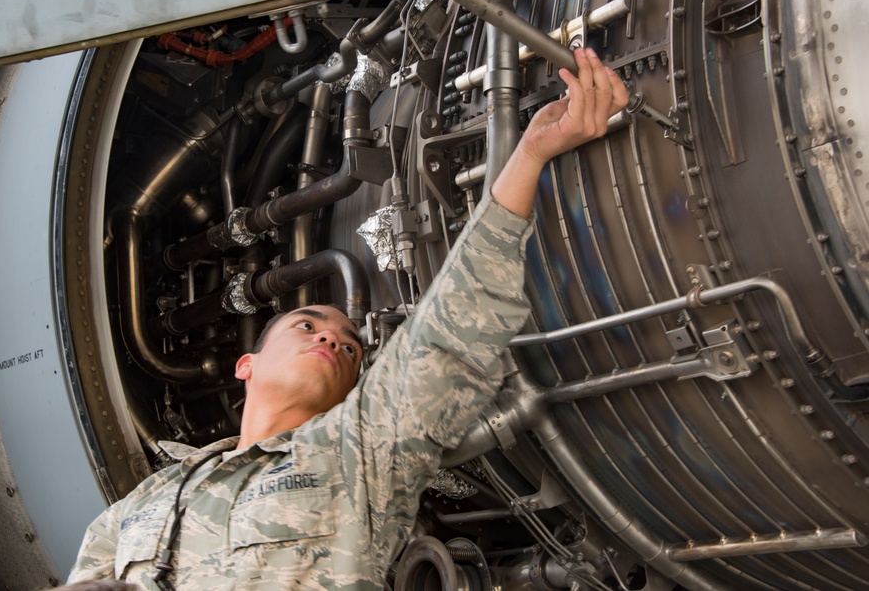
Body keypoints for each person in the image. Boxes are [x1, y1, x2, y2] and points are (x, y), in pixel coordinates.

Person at [66, 47, 628, 590]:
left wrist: (529, 154)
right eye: (307, 326)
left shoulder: (358, 455)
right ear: (245, 365)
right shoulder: (145, 502)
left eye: (351, 346)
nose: (333, 338)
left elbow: (446, 339)